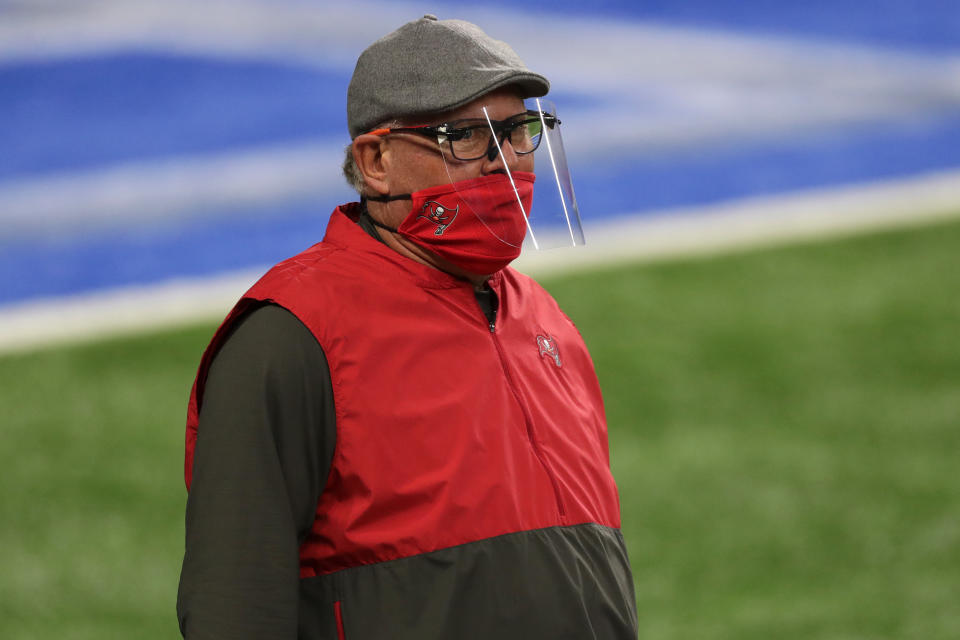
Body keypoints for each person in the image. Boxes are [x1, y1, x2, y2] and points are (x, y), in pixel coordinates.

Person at [177, 14, 638, 639]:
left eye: (519, 132)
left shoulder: (546, 323)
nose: (507, 165)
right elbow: (233, 603)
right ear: (376, 161)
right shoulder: (290, 335)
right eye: (468, 138)